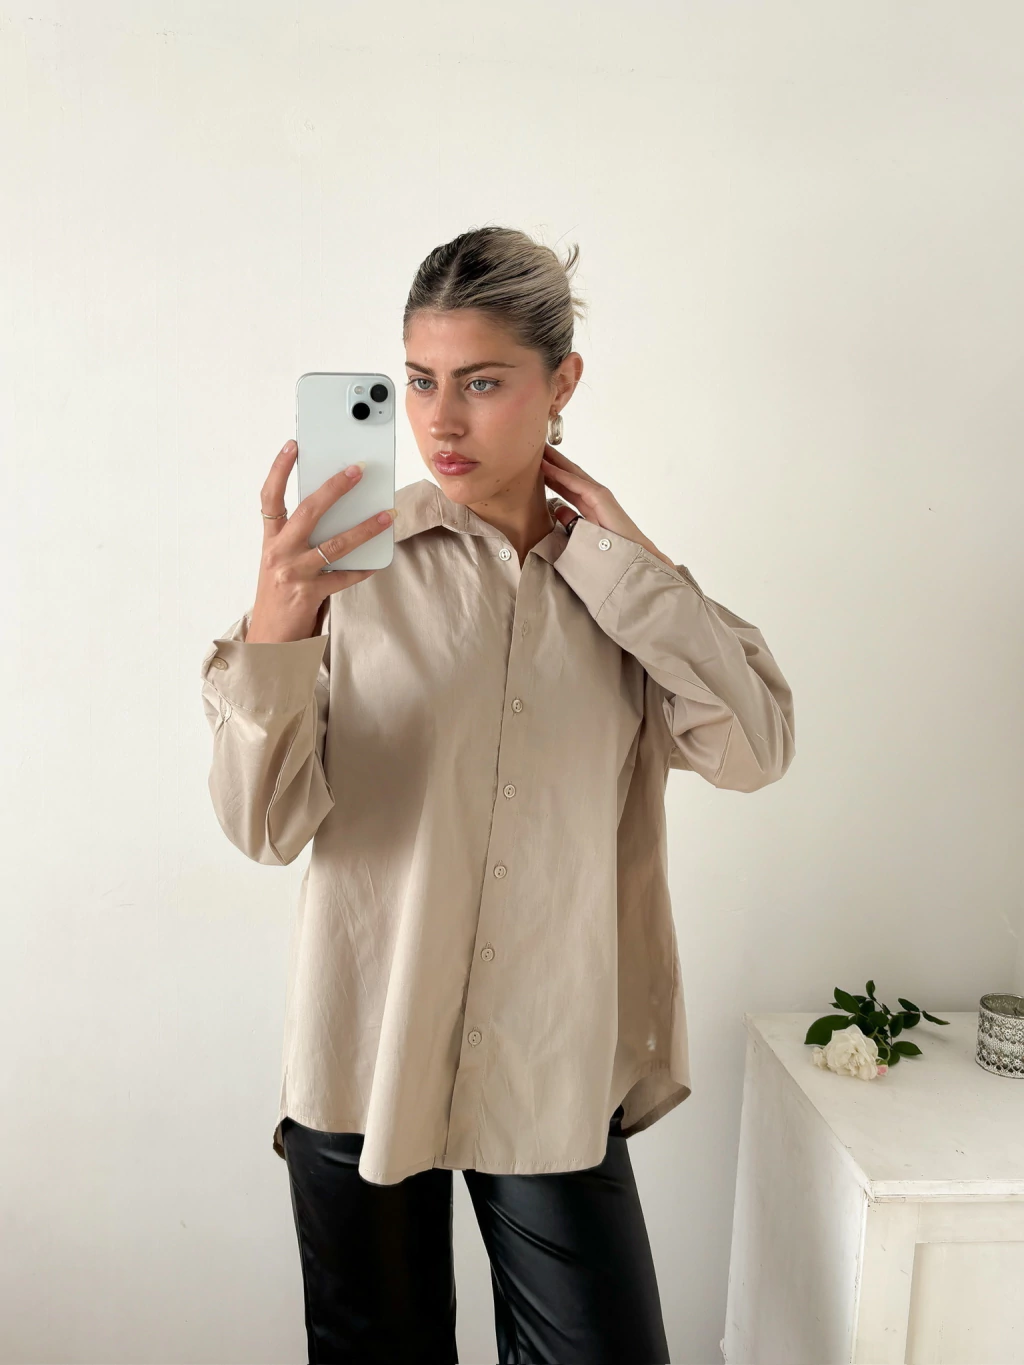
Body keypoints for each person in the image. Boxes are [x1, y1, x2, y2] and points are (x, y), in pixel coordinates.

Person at [200, 225, 796, 1364]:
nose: (441, 422)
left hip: (550, 1063)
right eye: (420, 381)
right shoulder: (349, 571)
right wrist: (276, 628)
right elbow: (261, 825)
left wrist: (636, 561)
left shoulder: (617, 594)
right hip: (366, 1054)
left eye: (481, 383)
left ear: (562, 382)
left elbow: (753, 748)